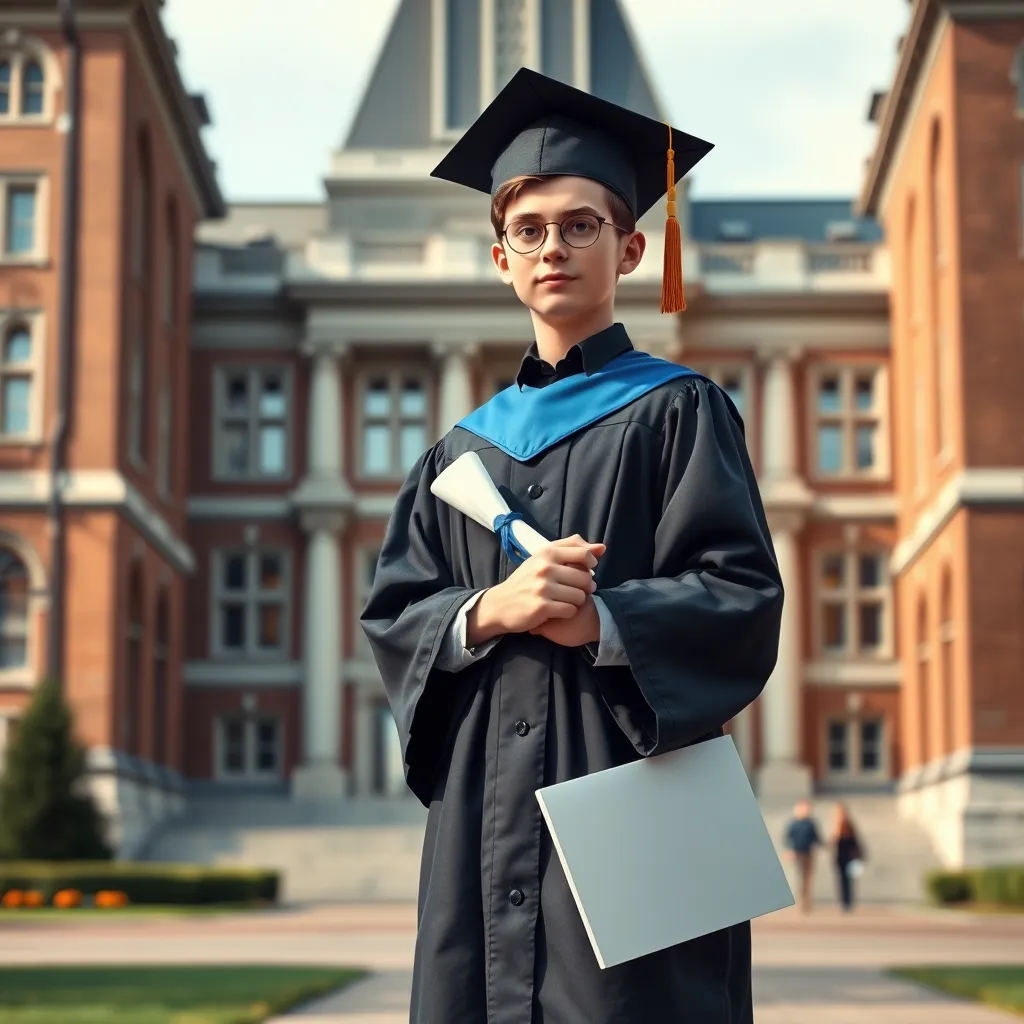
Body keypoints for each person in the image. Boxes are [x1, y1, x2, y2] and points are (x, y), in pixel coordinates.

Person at [360, 67, 784, 1024]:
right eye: (531, 229)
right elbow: (394, 611)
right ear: (501, 257)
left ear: (631, 248)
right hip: (486, 810)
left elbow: (744, 592)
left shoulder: (681, 411)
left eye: (582, 225)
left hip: (640, 790)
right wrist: (485, 612)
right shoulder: (457, 452)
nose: (555, 247)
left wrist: (604, 617)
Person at [783, 799, 822, 913]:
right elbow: (787, 838)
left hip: (808, 853)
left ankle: (806, 902)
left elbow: (816, 837)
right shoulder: (793, 823)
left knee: (807, 879)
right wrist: (789, 850)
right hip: (797, 853)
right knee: (798, 878)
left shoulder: (811, 823)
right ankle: (799, 902)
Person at [831, 801, 865, 912]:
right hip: (839, 857)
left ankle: (849, 902)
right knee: (841, 880)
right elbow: (832, 842)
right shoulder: (835, 826)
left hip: (849, 856)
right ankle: (843, 901)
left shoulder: (849, 825)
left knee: (849, 880)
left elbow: (856, 841)